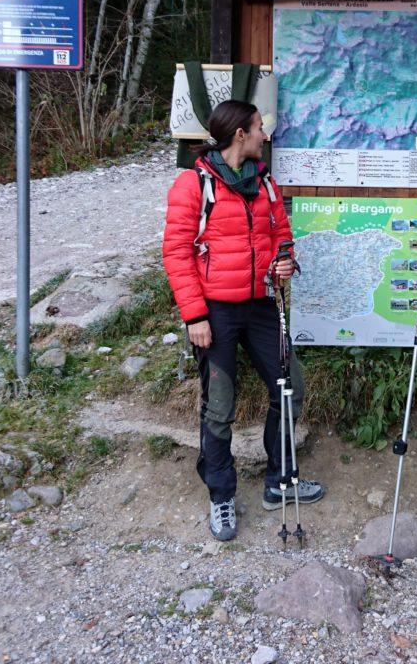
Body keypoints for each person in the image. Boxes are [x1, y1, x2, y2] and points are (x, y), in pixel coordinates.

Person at [163, 99, 325, 541]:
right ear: (240, 135)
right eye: (258, 128)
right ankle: (221, 497)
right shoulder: (193, 185)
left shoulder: (266, 183)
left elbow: (281, 235)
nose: (264, 135)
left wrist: (284, 261)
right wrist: (194, 314)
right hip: (213, 311)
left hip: (260, 305)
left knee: (291, 387)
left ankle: (281, 480)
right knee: (219, 406)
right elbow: (176, 253)